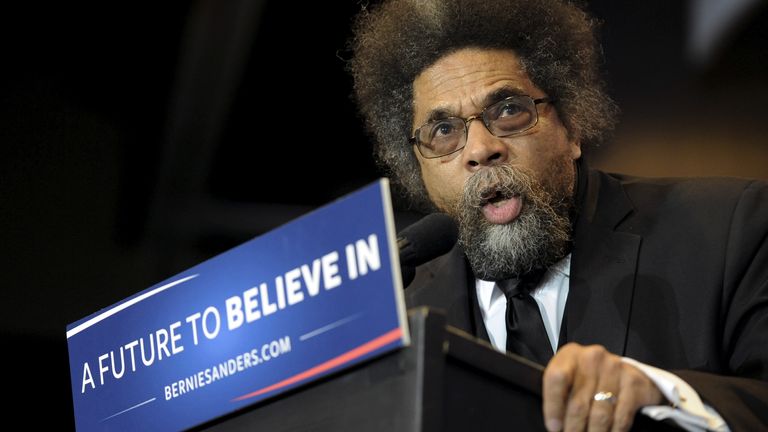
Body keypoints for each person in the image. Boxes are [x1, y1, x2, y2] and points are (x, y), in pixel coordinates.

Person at [348, 0, 768, 431]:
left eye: (508, 110)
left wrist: (660, 393)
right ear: (417, 166)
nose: (479, 150)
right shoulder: (401, 315)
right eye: (443, 131)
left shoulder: (730, 232)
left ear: (572, 127)